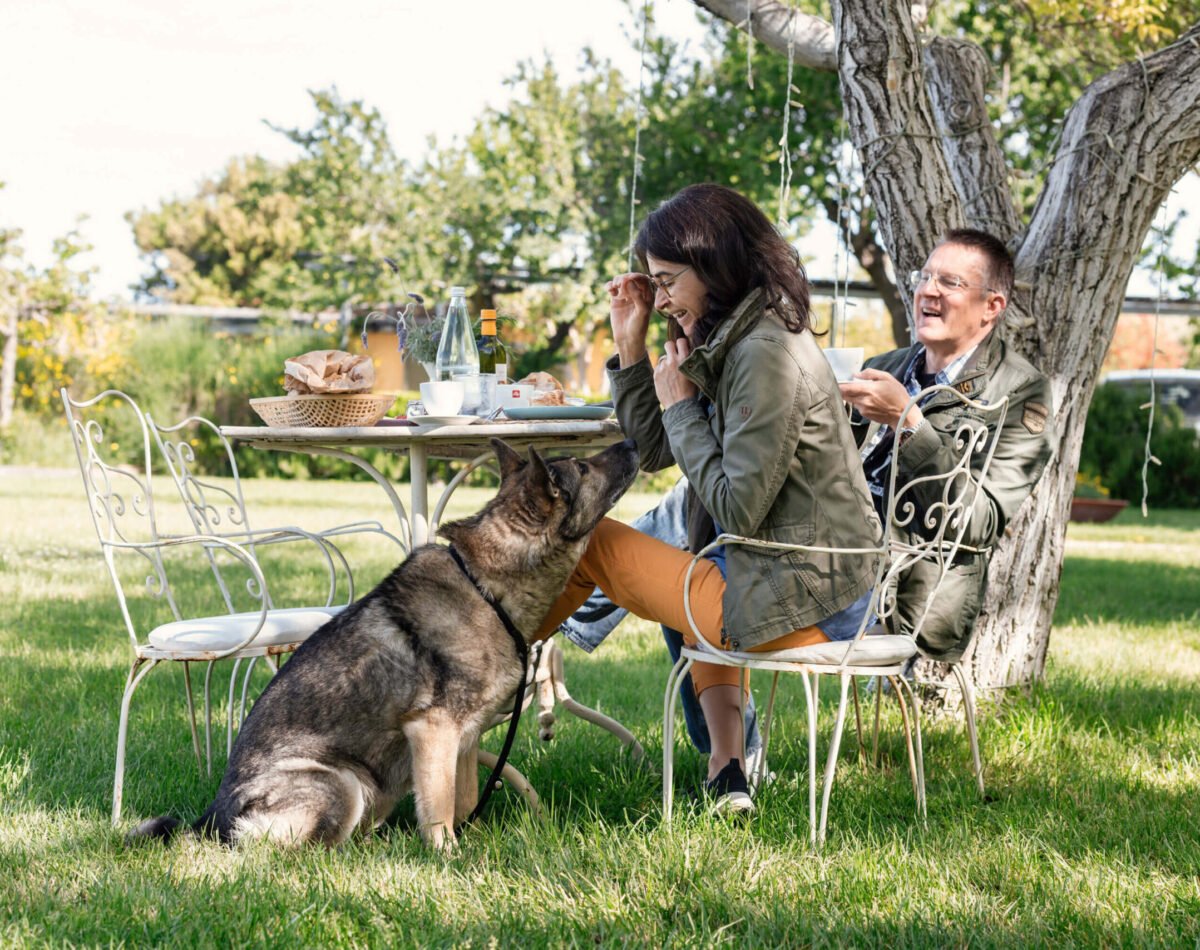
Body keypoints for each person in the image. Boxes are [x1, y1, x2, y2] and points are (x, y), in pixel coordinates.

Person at [564, 227, 1055, 754]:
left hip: (886, 587)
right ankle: (727, 765)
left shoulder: (1022, 394)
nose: (928, 291)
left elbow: (978, 523)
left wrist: (909, 423)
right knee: (695, 506)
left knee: (674, 532)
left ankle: (569, 615)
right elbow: (681, 452)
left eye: (950, 282)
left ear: (992, 306)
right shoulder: (889, 366)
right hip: (806, 549)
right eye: (924, 276)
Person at [535, 183, 882, 814]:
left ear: (715, 262)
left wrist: (679, 406)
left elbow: (737, 507)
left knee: (584, 536)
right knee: (689, 565)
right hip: (791, 584)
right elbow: (659, 450)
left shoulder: (764, 354)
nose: (660, 298)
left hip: (816, 610)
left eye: (667, 281)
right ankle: (728, 772)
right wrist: (633, 348)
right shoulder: (740, 336)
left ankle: (479, 668)